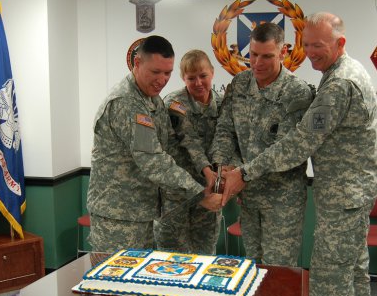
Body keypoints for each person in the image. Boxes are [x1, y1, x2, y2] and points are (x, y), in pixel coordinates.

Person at [221, 12, 377, 296]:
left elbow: (299, 144)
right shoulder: (343, 73)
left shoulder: (339, 84)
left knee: (330, 273)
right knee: (354, 264)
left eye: (319, 46)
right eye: (307, 45)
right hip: (351, 190)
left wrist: (244, 173)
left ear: (340, 44)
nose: (311, 54)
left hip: (344, 193)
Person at [87, 35, 221, 253]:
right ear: (137, 63)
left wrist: (206, 172)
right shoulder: (127, 103)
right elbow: (154, 161)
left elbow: (171, 146)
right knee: (114, 285)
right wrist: (199, 194)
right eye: (156, 72)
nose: (162, 79)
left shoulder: (152, 99)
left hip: (141, 212)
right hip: (118, 218)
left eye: (167, 73)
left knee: (140, 284)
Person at [209, 22, 314, 266]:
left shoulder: (296, 93)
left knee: (278, 272)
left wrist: (242, 174)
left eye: (267, 56)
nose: (257, 63)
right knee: (251, 267)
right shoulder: (240, 84)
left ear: (283, 52)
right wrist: (225, 166)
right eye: (253, 55)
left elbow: (287, 151)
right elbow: (225, 130)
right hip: (248, 197)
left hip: (282, 201)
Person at [153, 50, 223, 254]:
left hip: (207, 193)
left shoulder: (222, 104)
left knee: (205, 255)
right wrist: (208, 171)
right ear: (183, 78)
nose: (198, 82)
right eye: (191, 78)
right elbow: (189, 139)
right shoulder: (174, 103)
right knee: (173, 258)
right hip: (177, 194)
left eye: (203, 76)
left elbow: (227, 140)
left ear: (212, 73)